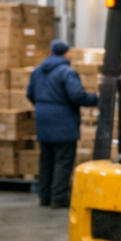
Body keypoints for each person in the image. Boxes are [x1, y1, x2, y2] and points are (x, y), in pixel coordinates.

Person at [27, 39, 98, 208]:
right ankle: (58, 198)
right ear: (67, 53)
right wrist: (95, 99)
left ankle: (44, 196)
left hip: (43, 120)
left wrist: (43, 107)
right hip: (63, 121)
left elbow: (30, 93)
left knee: (46, 159)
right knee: (63, 160)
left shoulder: (37, 71)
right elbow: (77, 96)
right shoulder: (67, 72)